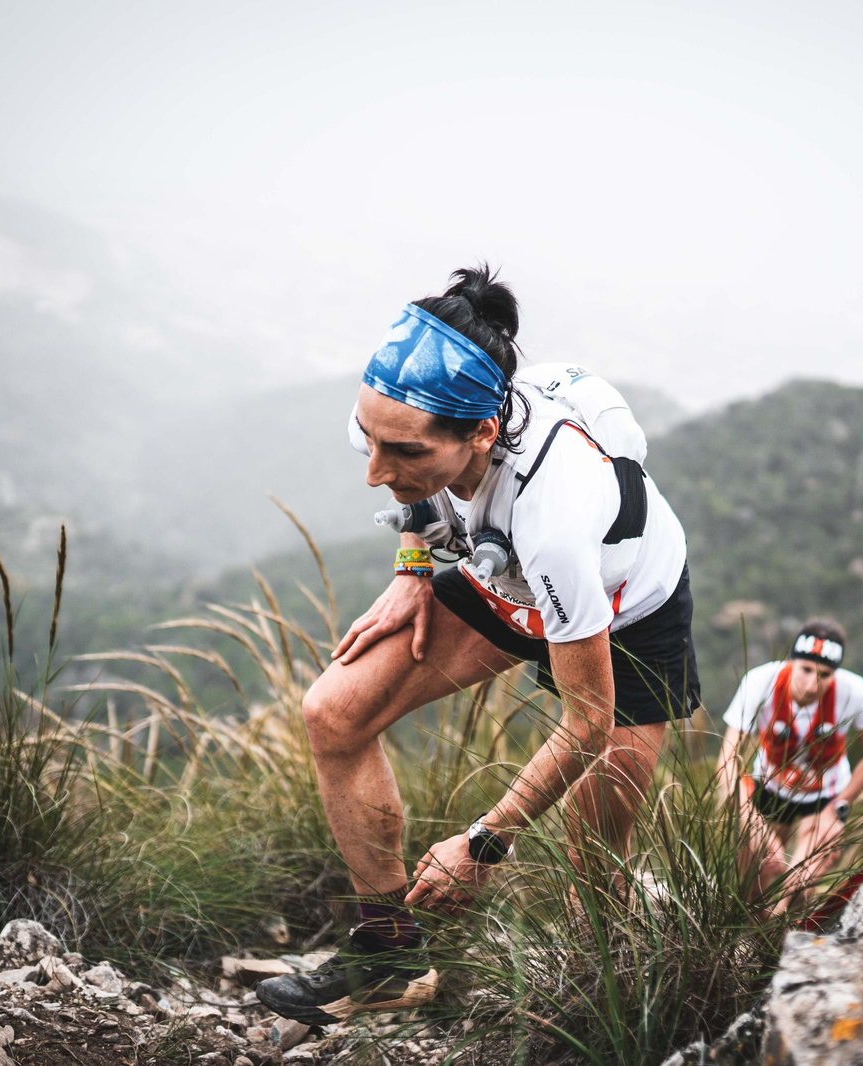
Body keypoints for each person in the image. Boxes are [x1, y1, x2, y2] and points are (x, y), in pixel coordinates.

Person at [256, 266, 700, 1024]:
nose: (374, 471)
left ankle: (604, 1017)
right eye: (369, 440)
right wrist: (412, 569)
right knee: (335, 713)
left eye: (400, 454)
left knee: (593, 870)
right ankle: (390, 956)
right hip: (507, 584)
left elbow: (587, 724)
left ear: (483, 434)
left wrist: (483, 844)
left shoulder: (552, 518)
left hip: (624, 612)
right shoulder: (401, 412)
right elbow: (415, 489)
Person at [715, 619, 863, 912]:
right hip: (769, 785)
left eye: (824, 675)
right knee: (756, 878)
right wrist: (751, 818)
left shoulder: (854, 690)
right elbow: (727, 761)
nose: (811, 685)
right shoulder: (761, 681)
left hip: (824, 795)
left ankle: (780, 944)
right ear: (791, 663)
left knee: (799, 885)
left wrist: (840, 807)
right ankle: (742, 940)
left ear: (835, 674)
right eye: (805, 670)